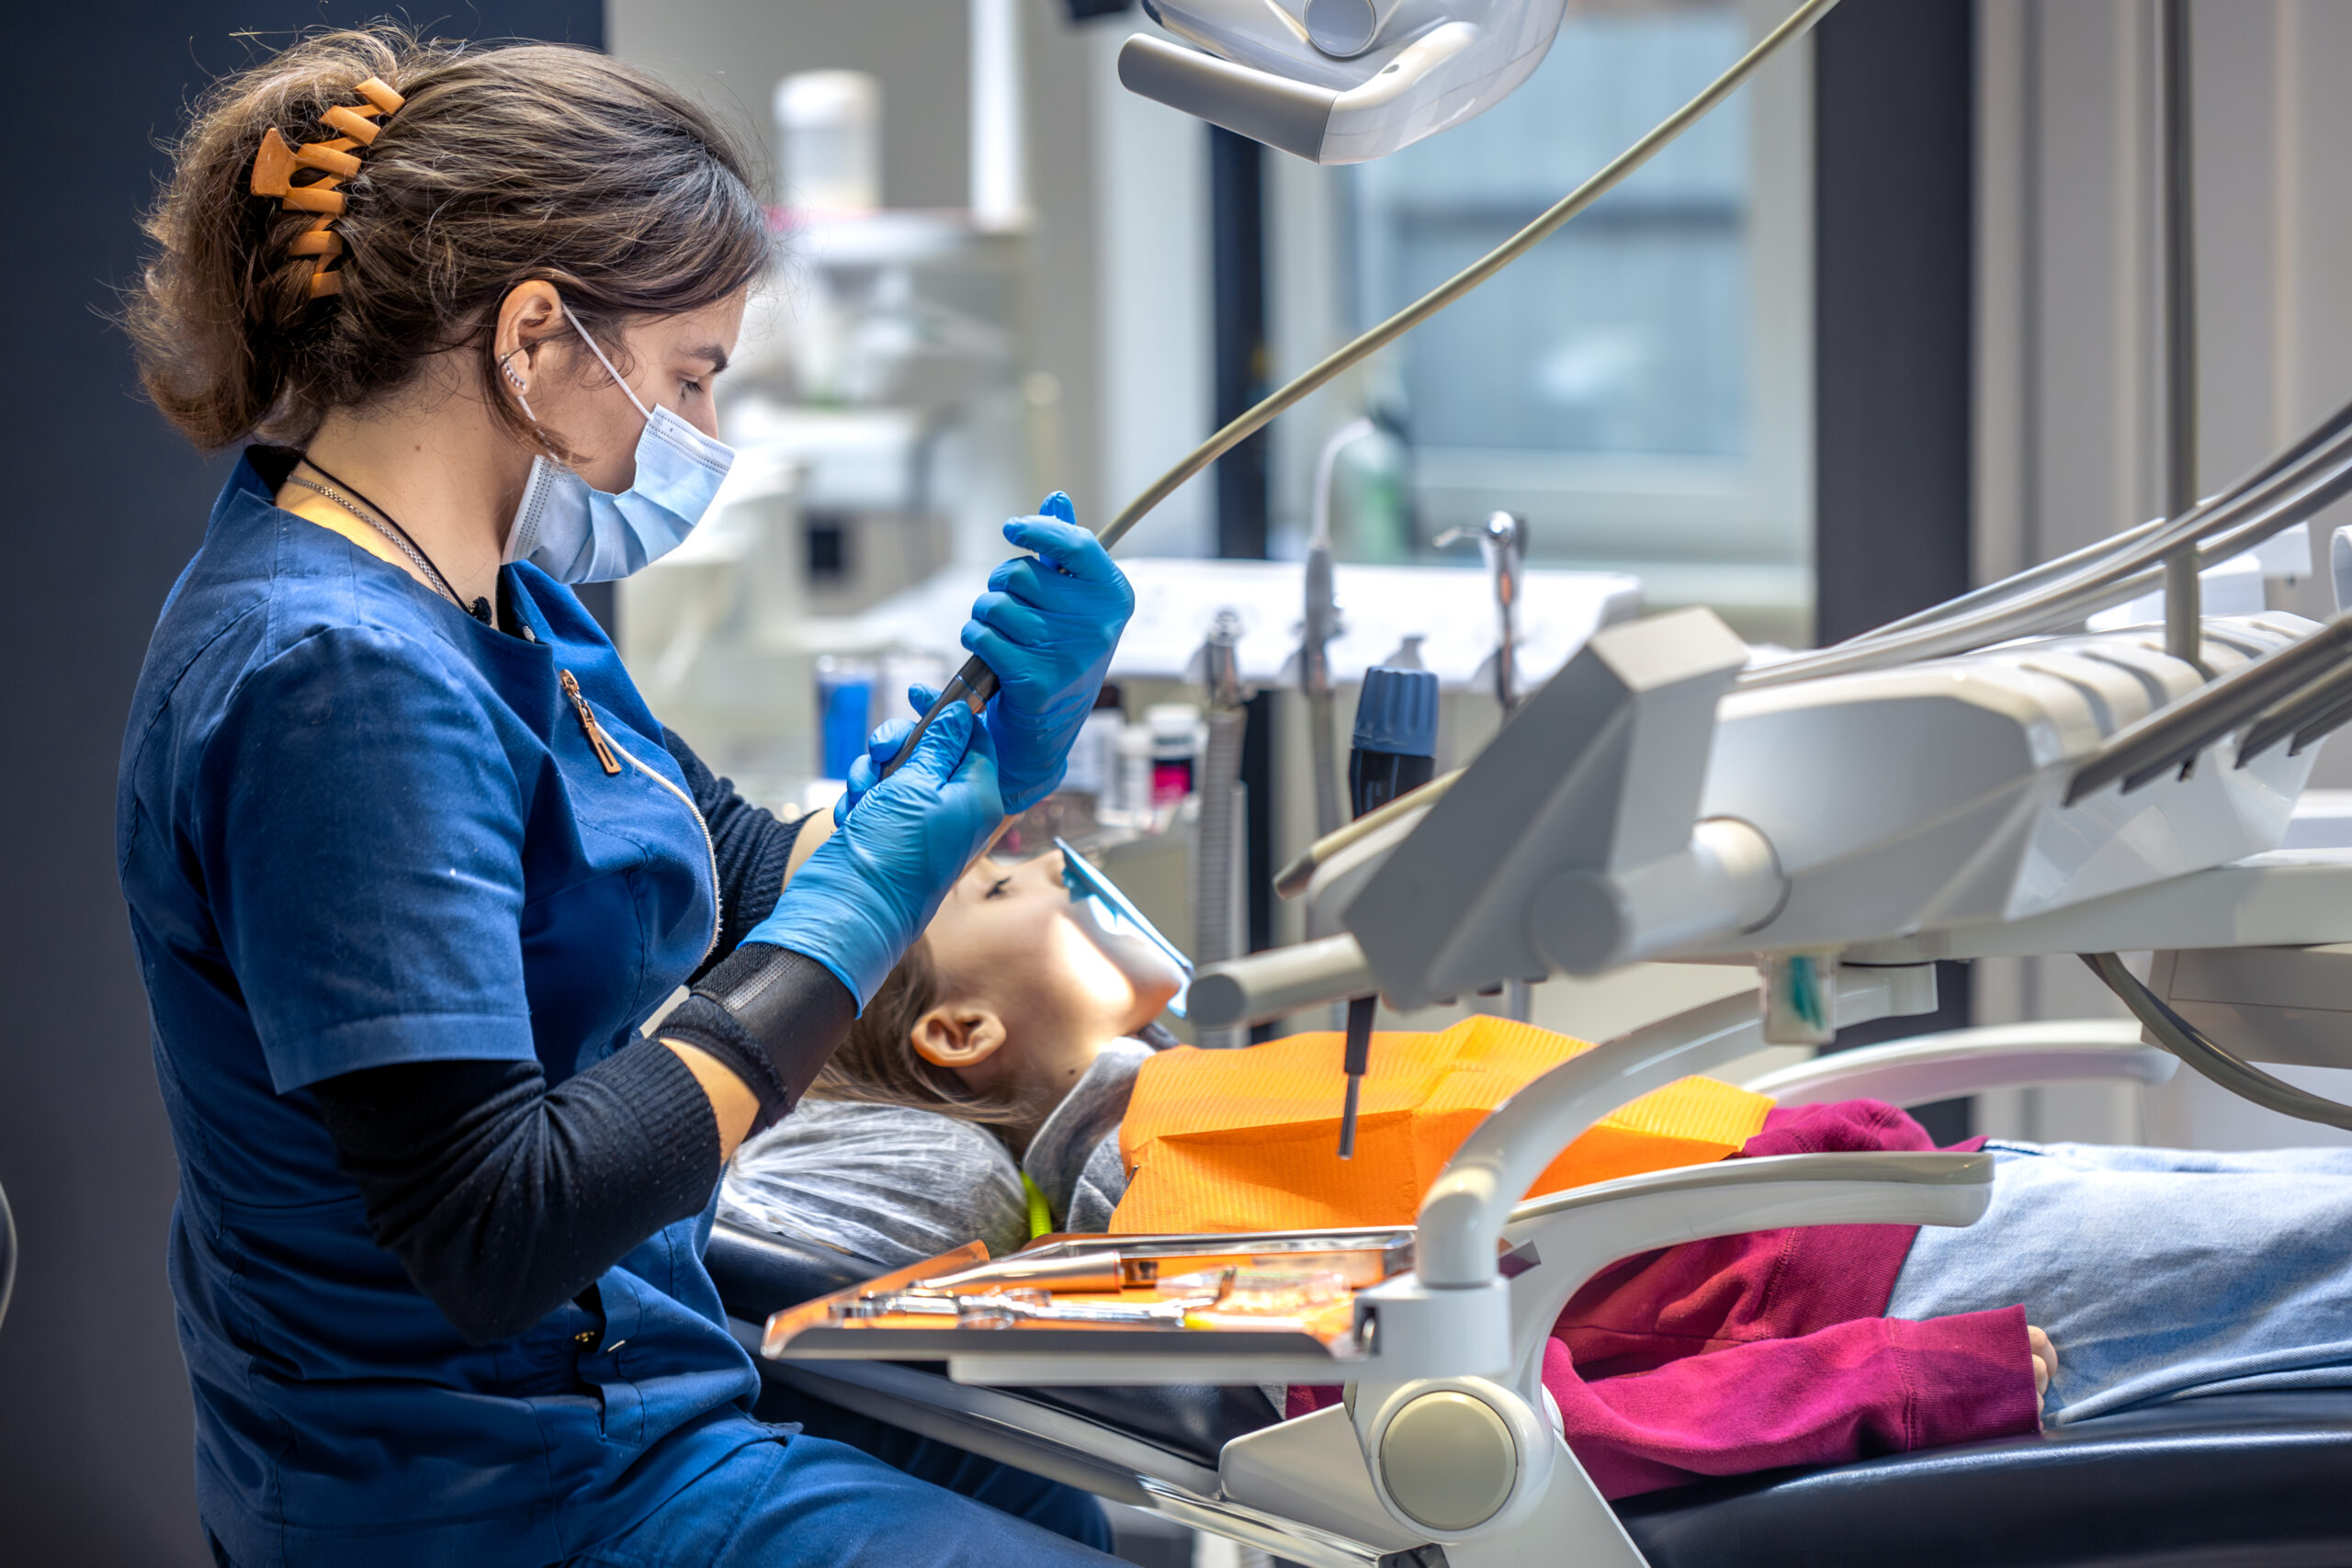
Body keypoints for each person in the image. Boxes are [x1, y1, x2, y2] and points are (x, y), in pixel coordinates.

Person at [116, 28, 1136, 1568]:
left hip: (632, 1394)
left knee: (1079, 1498)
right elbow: (497, 1226)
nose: (704, 439)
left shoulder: (501, 594)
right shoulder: (332, 677)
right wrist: (863, 904)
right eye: (690, 378)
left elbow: (722, 866)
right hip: (474, 1486)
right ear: (533, 338)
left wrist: (972, 769)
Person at [721, 849, 1183, 1264]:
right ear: (961, 1033)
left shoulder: (1157, 1113)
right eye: (998, 890)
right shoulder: (1136, 1177)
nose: (1058, 862)